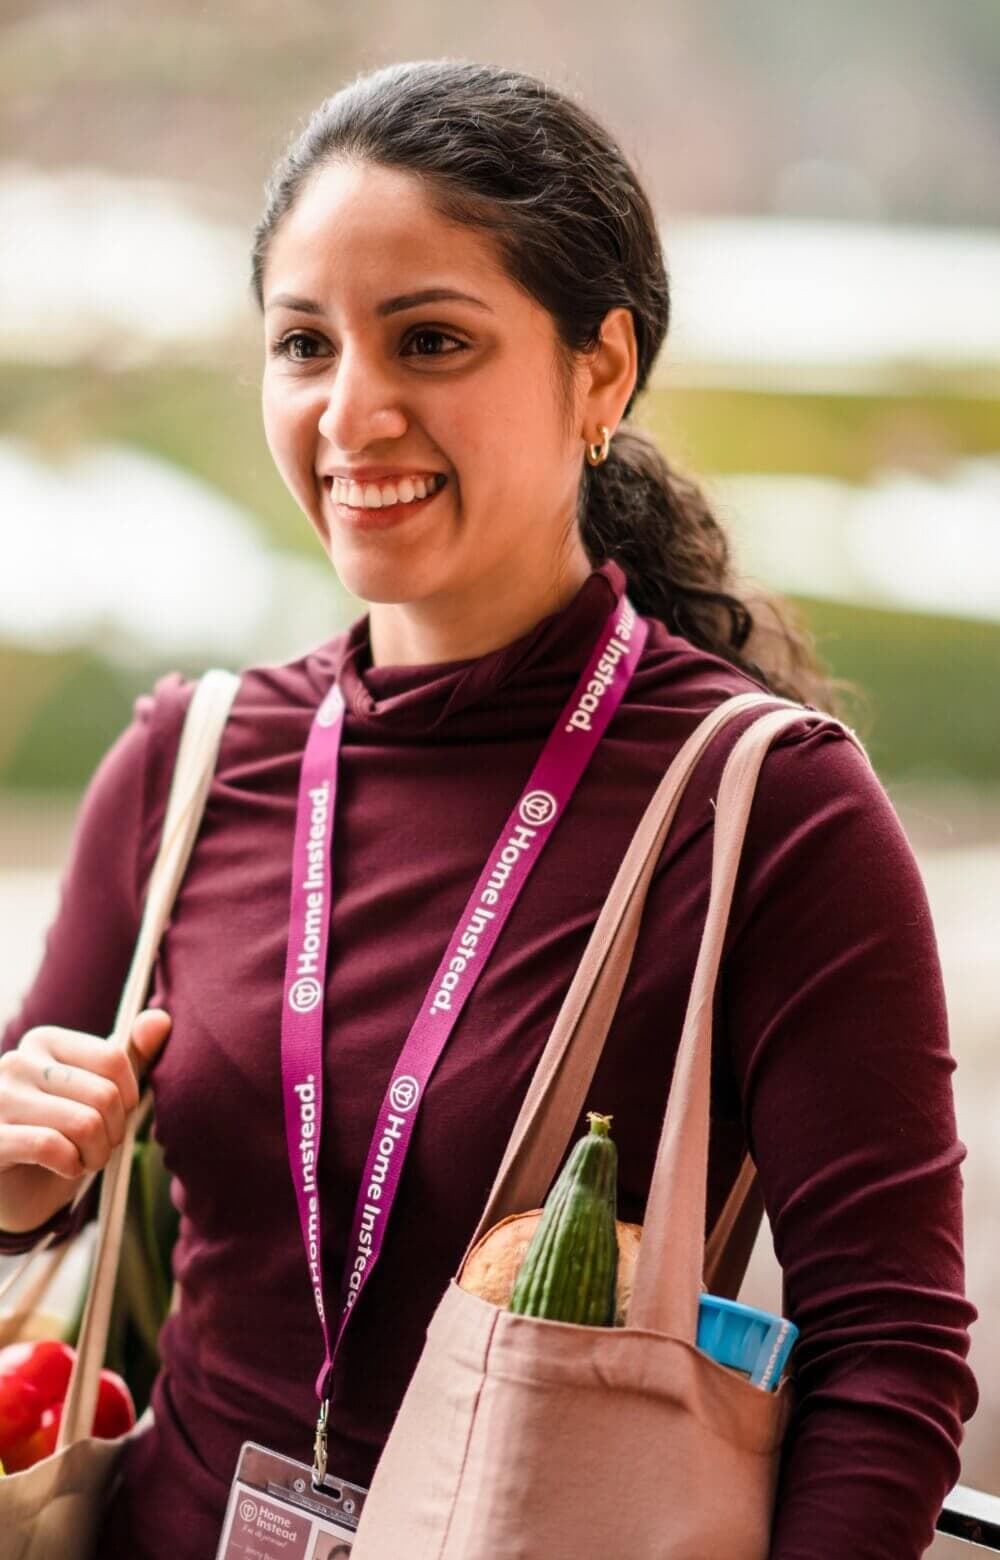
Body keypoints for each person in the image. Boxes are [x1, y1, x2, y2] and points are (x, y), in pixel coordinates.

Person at [0, 59, 977, 1559]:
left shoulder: (765, 812)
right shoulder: (192, 762)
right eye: (305, 344)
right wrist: (20, 1178)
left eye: (432, 340)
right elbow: (32, 1202)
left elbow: (890, 1357)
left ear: (600, 370)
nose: (354, 412)